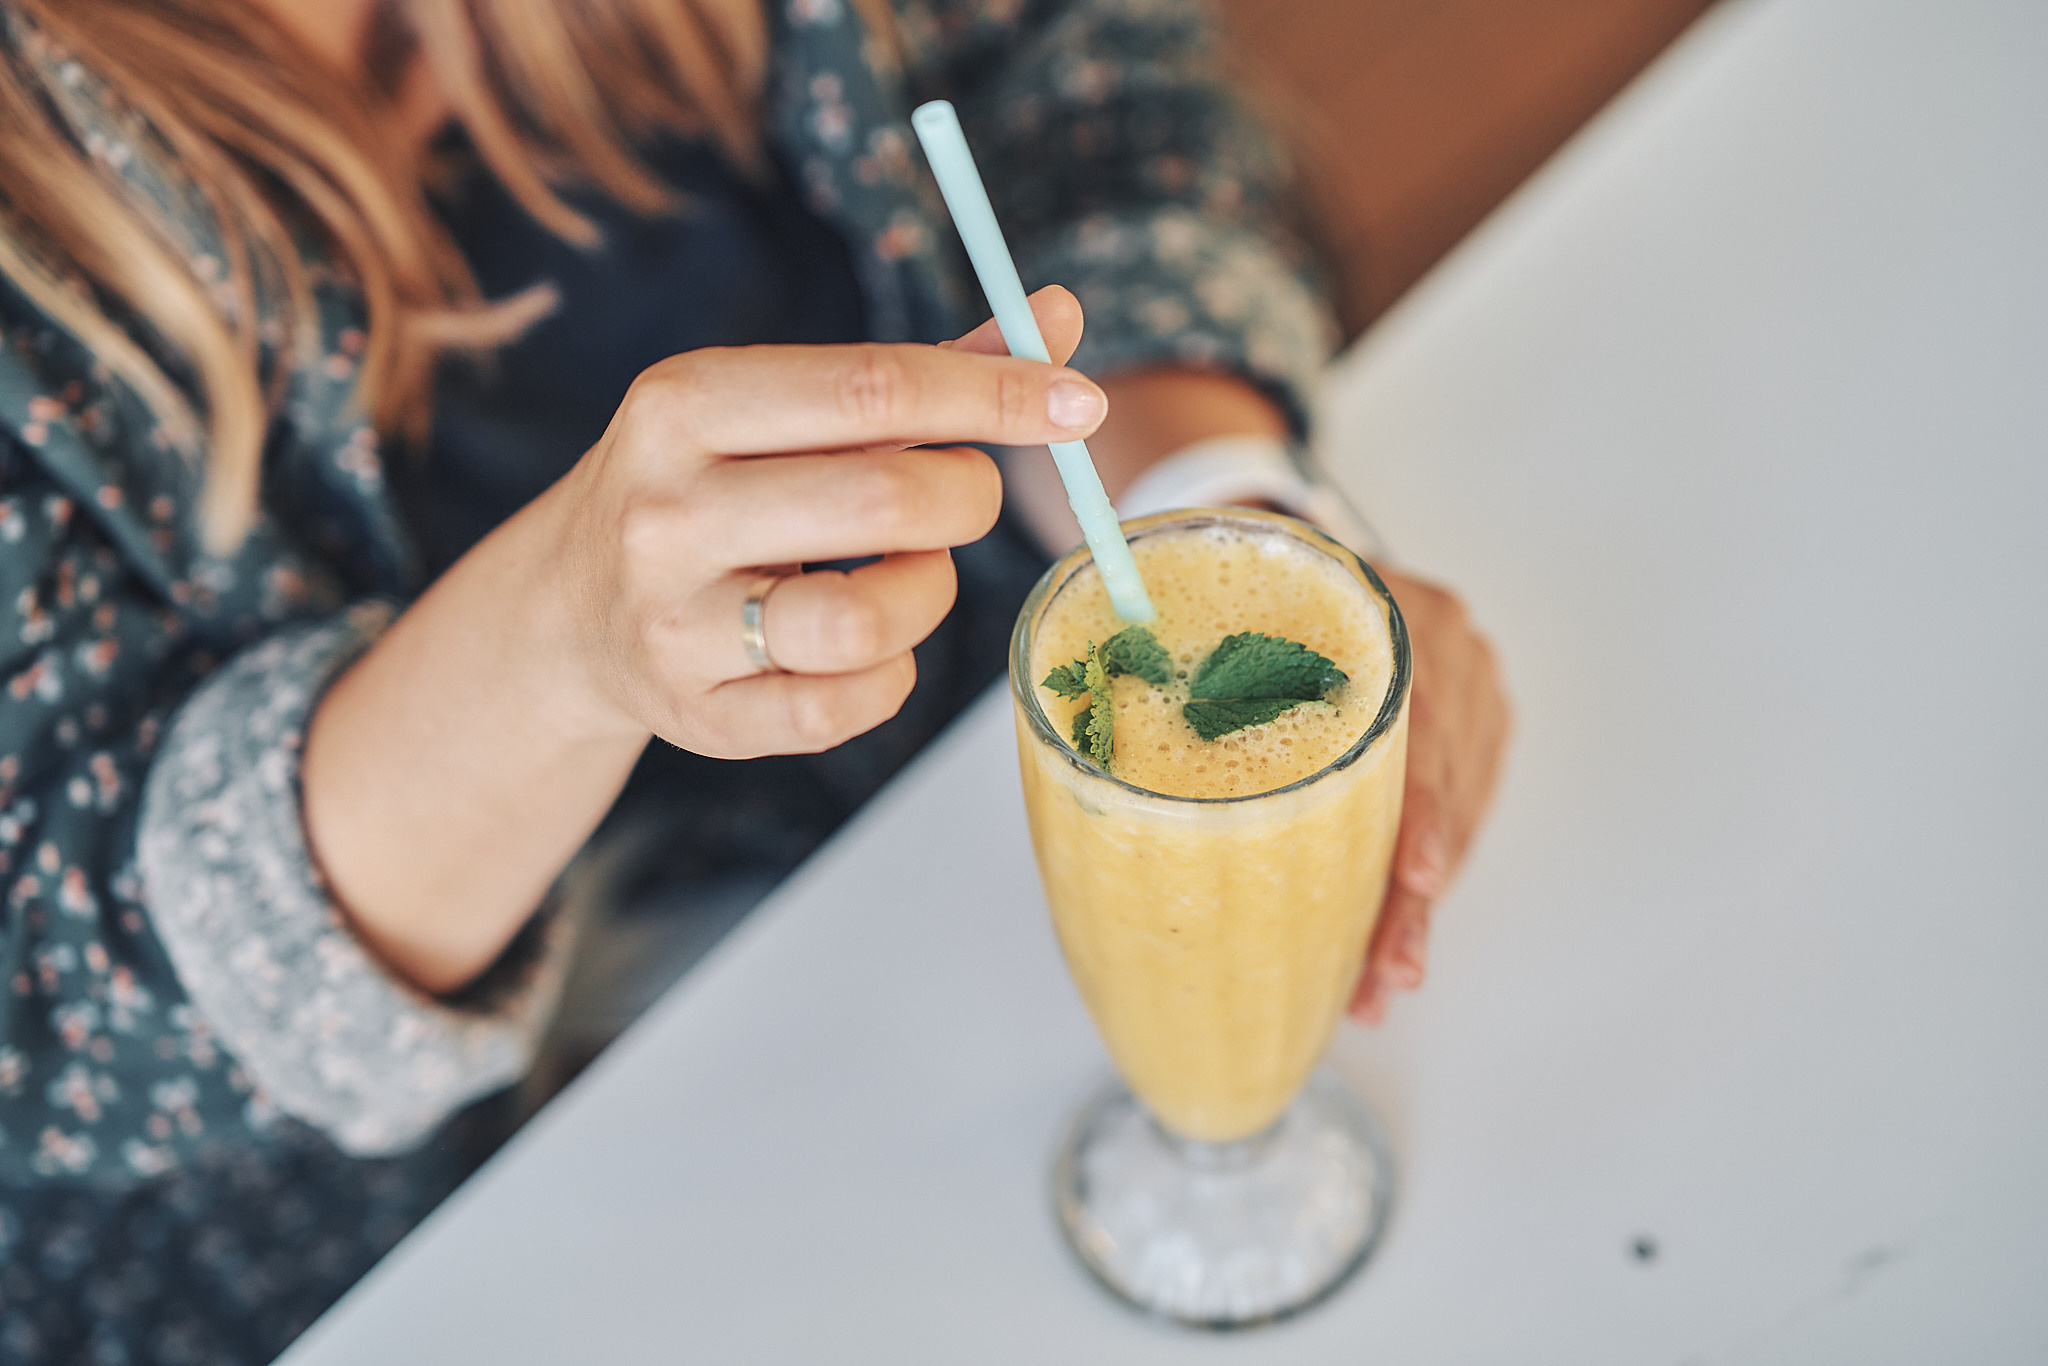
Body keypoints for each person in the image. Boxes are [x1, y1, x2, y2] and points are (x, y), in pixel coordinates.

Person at [0, 0, 1509, 1357]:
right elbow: (43, 961)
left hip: (960, 834)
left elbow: (1087, 92)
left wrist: (1219, 505)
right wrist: (551, 652)